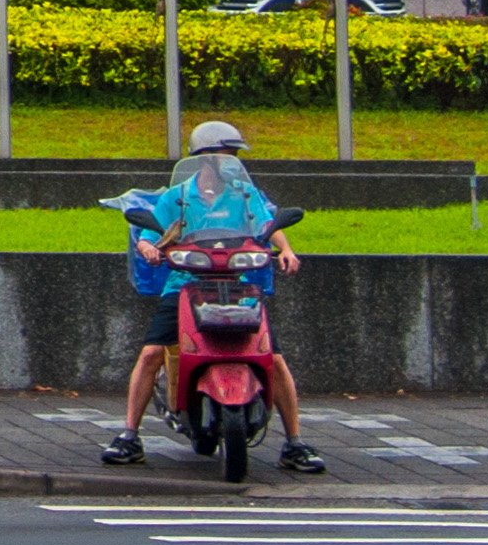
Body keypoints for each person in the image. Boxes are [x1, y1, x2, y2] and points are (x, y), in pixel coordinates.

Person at [99, 120, 323, 474]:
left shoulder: (244, 195)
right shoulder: (178, 197)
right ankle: (129, 435)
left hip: (239, 282)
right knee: (152, 352)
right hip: (185, 284)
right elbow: (147, 231)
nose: (230, 161)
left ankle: (295, 442)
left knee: (274, 356)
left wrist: (286, 250)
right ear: (204, 159)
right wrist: (147, 248)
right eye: (225, 155)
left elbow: (268, 225)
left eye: (234, 156)